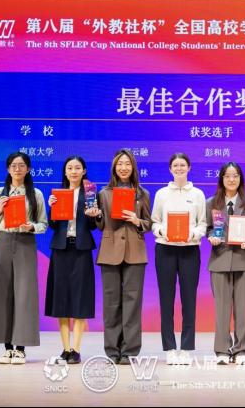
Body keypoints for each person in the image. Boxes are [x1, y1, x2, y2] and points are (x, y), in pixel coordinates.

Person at [0, 152, 48, 365]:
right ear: (8, 169)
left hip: (25, 243)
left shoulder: (36, 194)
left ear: (28, 169)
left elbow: (43, 224)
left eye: (21, 165)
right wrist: (0, 210)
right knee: (1, 293)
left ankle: (20, 348)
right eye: (13, 165)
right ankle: (7, 348)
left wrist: (32, 227)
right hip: (2, 242)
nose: (17, 169)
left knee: (25, 294)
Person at [94, 149, 152, 365]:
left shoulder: (142, 194)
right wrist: (97, 216)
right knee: (111, 303)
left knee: (132, 303)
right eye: (120, 164)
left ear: (133, 167)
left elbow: (149, 223)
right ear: (114, 167)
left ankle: (129, 351)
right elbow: (101, 225)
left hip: (135, 253)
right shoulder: (103, 193)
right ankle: (112, 350)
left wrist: (137, 221)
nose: (124, 168)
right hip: (109, 252)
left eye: (127, 164)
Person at [151, 153, 207, 365]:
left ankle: (186, 347)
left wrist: (193, 234)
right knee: (166, 300)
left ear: (189, 167)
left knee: (189, 300)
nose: (179, 168)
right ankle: (169, 348)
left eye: (183, 165)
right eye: (175, 165)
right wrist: (162, 231)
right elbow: (154, 221)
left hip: (189, 250)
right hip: (165, 250)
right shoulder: (162, 194)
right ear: (170, 169)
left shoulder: (198, 194)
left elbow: (203, 223)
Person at [46, 156, 100, 364]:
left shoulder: (90, 194)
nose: (74, 171)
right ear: (65, 171)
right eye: (70, 168)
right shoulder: (58, 194)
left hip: (81, 249)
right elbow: (52, 225)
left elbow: (93, 227)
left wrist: (94, 214)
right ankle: (65, 348)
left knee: (80, 297)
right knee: (61, 298)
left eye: (78, 168)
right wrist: (52, 208)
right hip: (60, 249)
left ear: (84, 171)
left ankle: (76, 349)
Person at [205, 162, 245, 366]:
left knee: (242, 309)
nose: (231, 179)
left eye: (235, 175)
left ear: (240, 178)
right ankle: (222, 350)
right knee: (221, 308)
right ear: (221, 179)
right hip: (219, 260)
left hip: (244, 260)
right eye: (227, 176)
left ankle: (241, 350)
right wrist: (211, 237)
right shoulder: (211, 203)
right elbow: (208, 228)